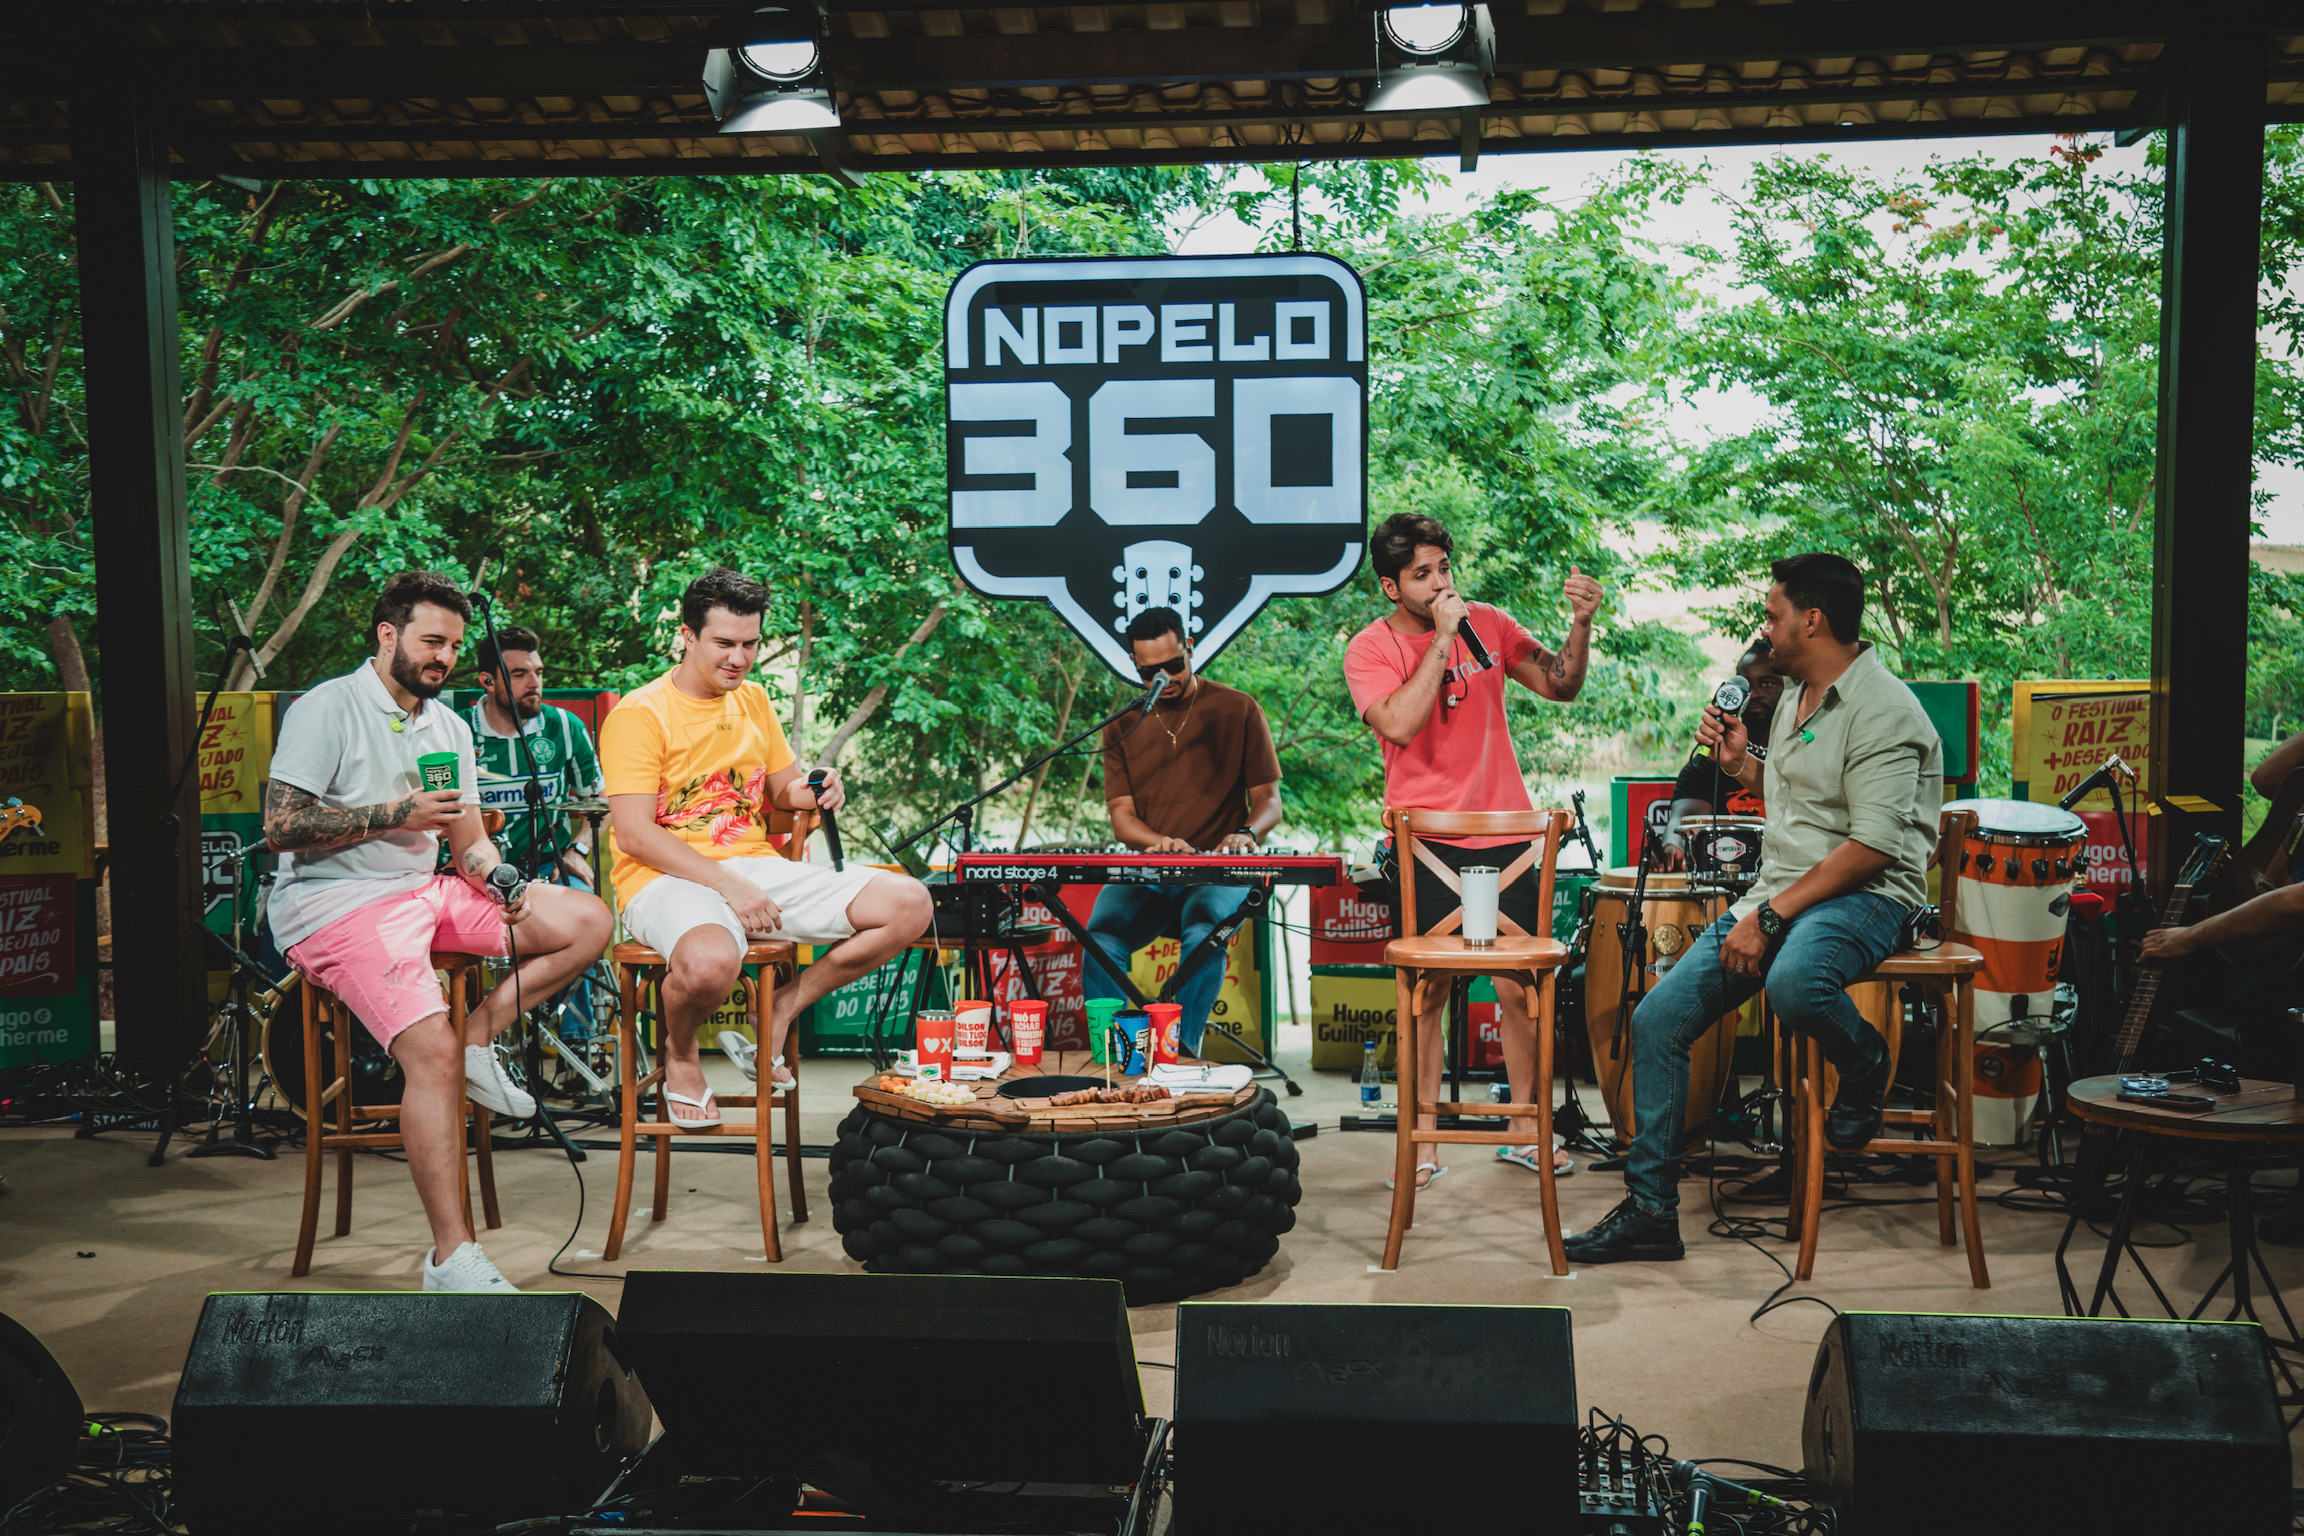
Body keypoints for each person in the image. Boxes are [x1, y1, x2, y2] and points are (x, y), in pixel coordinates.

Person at [1566, 552, 1942, 1266]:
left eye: (1773, 615)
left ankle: (1866, 1063)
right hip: (1785, 889)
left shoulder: (1886, 711)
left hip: (1867, 897)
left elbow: (1872, 848)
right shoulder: (1800, 695)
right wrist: (1742, 763)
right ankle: (1652, 1211)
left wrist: (1768, 920)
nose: (1765, 630)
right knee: (1658, 1019)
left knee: (1795, 984)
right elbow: (1804, 805)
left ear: (1813, 619)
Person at [264, 571, 616, 1293]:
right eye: (431, 641)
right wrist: (400, 814)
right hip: (334, 905)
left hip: (425, 890)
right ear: (387, 635)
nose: (444, 658)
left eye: (453, 646)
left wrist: (502, 881)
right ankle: (451, 1258)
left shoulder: (448, 725)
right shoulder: (327, 708)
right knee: (433, 1055)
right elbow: (282, 827)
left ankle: (482, 1035)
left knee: (588, 919)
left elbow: (470, 844)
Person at [599, 566, 934, 1129]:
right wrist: (730, 885)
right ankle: (680, 1056)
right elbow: (634, 834)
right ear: (687, 635)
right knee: (711, 965)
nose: (739, 658)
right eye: (724, 644)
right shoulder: (640, 713)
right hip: (662, 878)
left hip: (753, 869)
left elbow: (783, 793)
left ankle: (781, 1007)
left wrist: (818, 787)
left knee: (910, 903)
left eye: (750, 644)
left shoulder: (753, 700)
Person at [1343, 512, 1602, 1190]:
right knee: (1427, 994)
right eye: (1421, 575)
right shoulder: (1369, 649)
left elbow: (1561, 684)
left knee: (1520, 989)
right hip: (1426, 843)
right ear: (1391, 587)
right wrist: (1442, 639)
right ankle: (1424, 1143)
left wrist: (1580, 624)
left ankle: (1523, 1134)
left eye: (1444, 569)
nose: (1439, 584)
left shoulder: (1489, 622)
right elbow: (1399, 724)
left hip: (1508, 839)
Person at [1083, 607, 1284, 1056]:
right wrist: (1159, 843)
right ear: (1134, 664)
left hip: (1217, 871)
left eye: (1174, 665)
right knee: (1099, 940)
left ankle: (1180, 1055)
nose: (1165, 678)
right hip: (1151, 869)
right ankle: (1113, 1058)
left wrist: (1246, 833)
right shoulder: (1122, 725)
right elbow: (1122, 817)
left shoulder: (1238, 708)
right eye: (1149, 672)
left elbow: (1270, 801)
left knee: (1203, 934)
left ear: (1190, 648)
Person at [466, 624, 605, 888]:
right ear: (487, 681)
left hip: (550, 865)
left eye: (538, 672)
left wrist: (577, 850)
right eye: (519, 674)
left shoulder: (564, 726)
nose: (534, 683)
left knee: (589, 909)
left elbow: (599, 802)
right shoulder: (458, 731)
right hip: (475, 869)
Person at [1659, 637, 1780, 870]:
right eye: (1746, 685)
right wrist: (1673, 846)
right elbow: (1686, 820)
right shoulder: (1708, 762)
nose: (1754, 694)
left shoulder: (1801, 756)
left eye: (1767, 683)